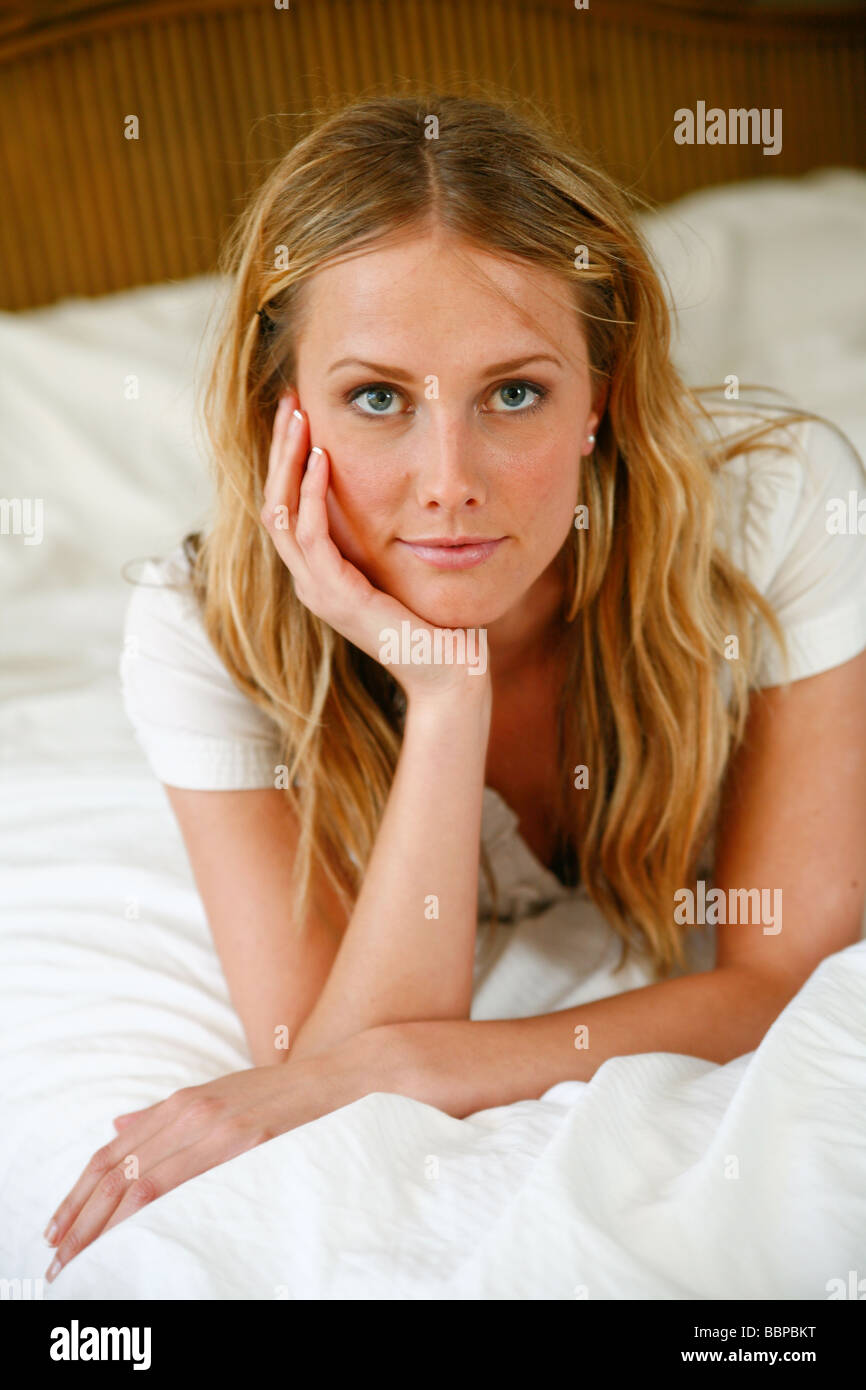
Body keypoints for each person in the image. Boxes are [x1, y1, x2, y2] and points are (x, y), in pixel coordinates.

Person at [43, 92, 866, 1282]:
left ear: (601, 392)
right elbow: (306, 1057)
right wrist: (442, 697)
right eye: (376, 397)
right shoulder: (197, 629)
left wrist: (408, 1064)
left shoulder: (778, 506)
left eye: (514, 393)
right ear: (287, 411)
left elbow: (776, 977)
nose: (448, 485)